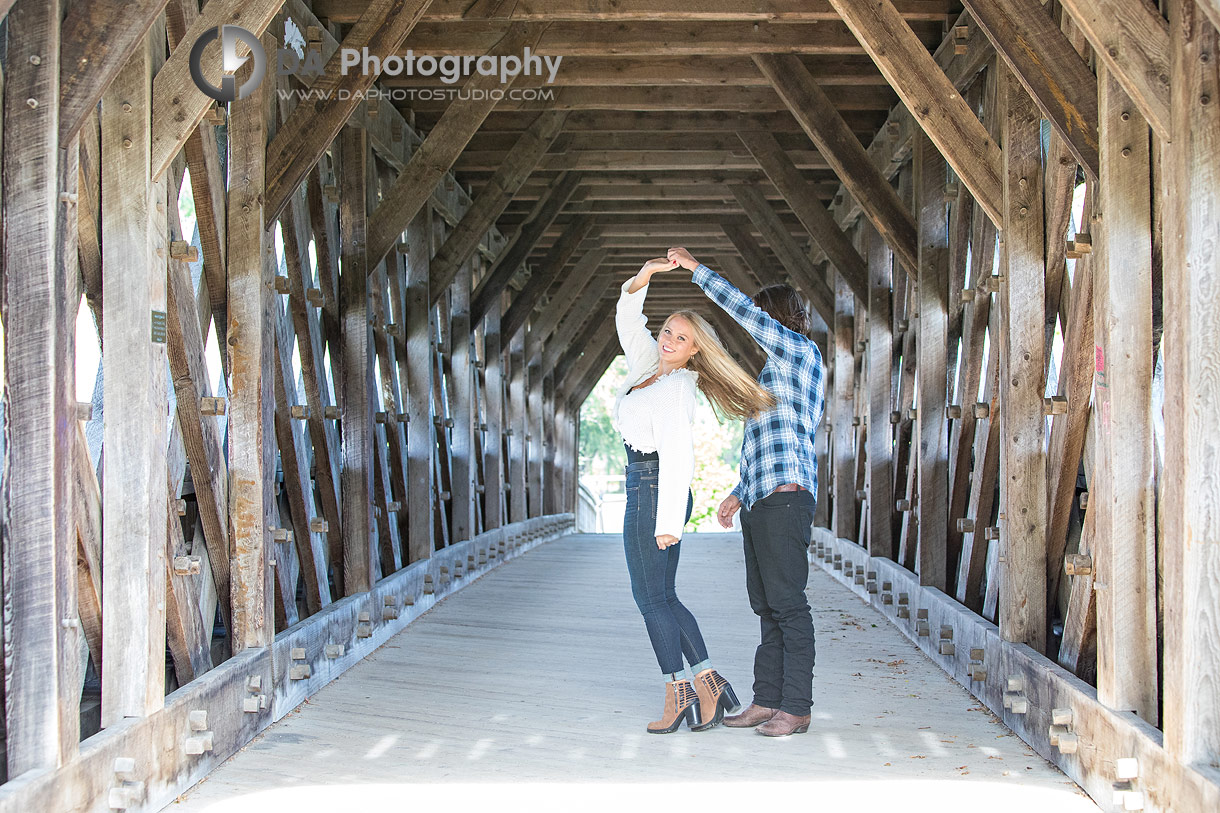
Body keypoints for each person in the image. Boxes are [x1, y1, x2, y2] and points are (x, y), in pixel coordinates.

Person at [666, 246, 826, 738]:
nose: (758, 331)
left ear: (777, 319)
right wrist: (739, 491)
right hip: (763, 498)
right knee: (766, 604)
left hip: (785, 497)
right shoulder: (774, 372)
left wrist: (697, 271)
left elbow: (747, 313)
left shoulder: (799, 353)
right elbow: (773, 441)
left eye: (765, 317)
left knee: (789, 604)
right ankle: (767, 699)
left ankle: (796, 708)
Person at [614, 257, 776, 734]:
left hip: (654, 492)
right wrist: (642, 279)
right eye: (667, 330)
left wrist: (668, 523)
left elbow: (679, 457)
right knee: (661, 595)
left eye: (680, 338)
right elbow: (628, 321)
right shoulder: (650, 369)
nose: (668, 340)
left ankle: (679, 691)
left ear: (694, 352)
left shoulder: (677, 386)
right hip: (643, 488)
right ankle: (709, 683)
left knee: (651, 600)